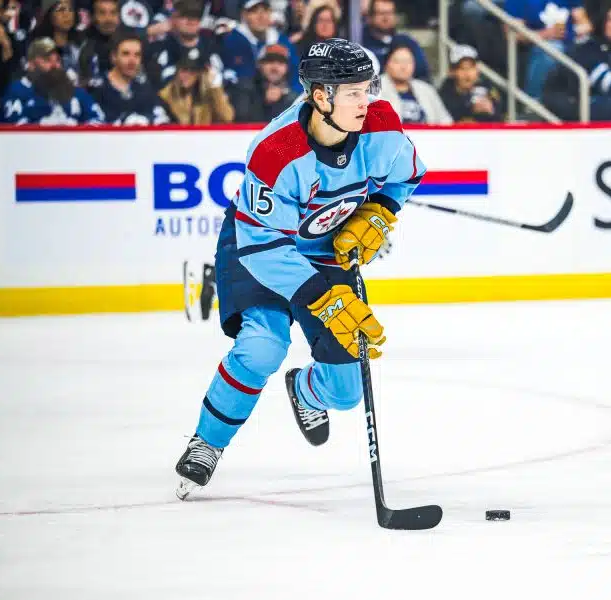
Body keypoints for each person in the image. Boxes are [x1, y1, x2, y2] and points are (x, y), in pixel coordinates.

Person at [173, 38, 426, 500]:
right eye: (353, 92)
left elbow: (407, 174)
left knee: (346, 391)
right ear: (320, 96)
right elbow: (264, 248)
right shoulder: (276, 151)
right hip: (261, 247)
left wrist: (380, 212)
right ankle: (207, 442)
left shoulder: (382, 127)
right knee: (262, 347)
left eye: (367, 88)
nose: (365, 101)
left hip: (328, 250)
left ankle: (306, 391)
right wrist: (323, 300)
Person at [1, 36, 105, 123]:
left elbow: (98, 122)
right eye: (47, 60)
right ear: (31, 64)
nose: (55, 65)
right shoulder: (17, 92)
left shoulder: (74, 91)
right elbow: (14, 129)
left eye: (58, 60)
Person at [90, 30, 171, 124]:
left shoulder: (145, 89)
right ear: (114, 57)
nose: (132, 61)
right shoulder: (97, 89)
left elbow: (161, 120)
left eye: (137, 55)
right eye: (126, 54)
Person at [220, 0, 298, 88]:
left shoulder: (281, 40)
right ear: (244, 15)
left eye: (265, 10)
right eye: (254, 11)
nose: (261, 16)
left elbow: (296, 73)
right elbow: (239, 77)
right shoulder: (233, 41)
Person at [378, 41, 452, 124]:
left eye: (408, 61)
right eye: (397, 61)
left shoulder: (426, 89)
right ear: (386, 64)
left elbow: (446, 121)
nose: (403, 67)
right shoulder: (374, 88)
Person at [158, 45, 234, 123]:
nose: (186, 75)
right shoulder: (167, 95)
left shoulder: (211, 93)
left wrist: (214, 87)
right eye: (184, 70)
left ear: (200, 74)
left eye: (192, 71)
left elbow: (227, 117)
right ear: (177, 71)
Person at [227, 42, 298, 121]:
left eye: (281, 63)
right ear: (260, 64)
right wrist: (265, 102)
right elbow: (240, 120)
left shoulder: (293, 97)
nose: (275, 67)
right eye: (270, 61)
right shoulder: (243, 88)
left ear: (287, 68)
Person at [362, 0, 430, 80]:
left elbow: (422, 73)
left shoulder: (407, 42)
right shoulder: (360, 41)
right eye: (381, 13)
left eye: (390, 13)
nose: (386, 18)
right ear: (370, 17)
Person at [437, 44, 503, 123]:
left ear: (477, 69)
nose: (467, 74)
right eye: (462, 68)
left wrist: (492, 110)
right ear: (452, 72)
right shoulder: (444, 92)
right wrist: (472, 109)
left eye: (471, 67)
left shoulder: (487, 86)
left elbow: (499, 114)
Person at [77, 0, 120, 87]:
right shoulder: (81, 46)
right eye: (102, 13)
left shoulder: (130, 43)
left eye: (113, 13)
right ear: (93, 17)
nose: (108, 19)